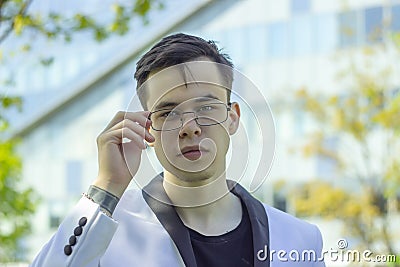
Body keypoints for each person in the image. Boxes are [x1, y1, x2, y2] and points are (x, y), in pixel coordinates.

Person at [31, 33, 326, 267]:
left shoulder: (300, 239)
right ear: (148, 128)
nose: (190, 127)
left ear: (233, 117)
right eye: (168, 112)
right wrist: (107, 186)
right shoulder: (105, 230)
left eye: (206, 107)